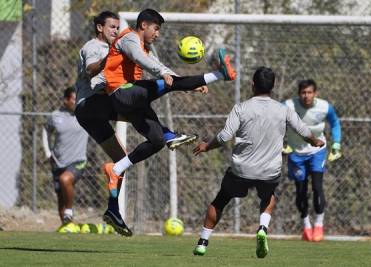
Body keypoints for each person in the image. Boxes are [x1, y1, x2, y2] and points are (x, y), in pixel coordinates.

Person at [74, 11, 198, 236]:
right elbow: (91, 69)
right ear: (100, 28)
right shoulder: (94, 46)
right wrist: (110, 57)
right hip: (90, 104)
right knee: (128, 101)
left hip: (95, 114)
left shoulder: (124, 47)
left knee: (120, 162)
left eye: (117, 27)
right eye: (111, 27)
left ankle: (112, 210)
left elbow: (149, 64)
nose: (115, 31)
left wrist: (185, 81)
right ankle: (167, 134)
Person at [101, 9, 236, 207]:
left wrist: (190, 85)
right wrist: (170, 76)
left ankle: (116, 169)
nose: (157, 34)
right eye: (156, 29)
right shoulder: (130, 37)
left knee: (157, 141)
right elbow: (141, 59)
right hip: (122, 93)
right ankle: (220, 75)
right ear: (144, 25)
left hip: (132, 101)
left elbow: (162, 69)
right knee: (164, 83)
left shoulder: (144, 48)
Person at [191, 67, 324, 258]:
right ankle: (262, 227)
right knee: (268, 197)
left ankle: (203, 242)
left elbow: (224, 136)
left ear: (252, 85)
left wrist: (206, 146)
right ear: (273, 86)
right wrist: (314, 141)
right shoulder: (283, 109)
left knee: (220, 201)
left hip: (241, 169)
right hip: (268, 171)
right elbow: (303, 130)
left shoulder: (241, 108)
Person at [283, 79, 342, 242]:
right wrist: (281, 141)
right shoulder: (288, 106)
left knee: (317, 187)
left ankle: (319, 225)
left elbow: (335, 123)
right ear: (298, 94)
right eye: (303, 92)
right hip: (296, 153)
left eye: (309, 92)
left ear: (315, 93)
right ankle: (306, 226)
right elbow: (274, 119)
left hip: (317, 151)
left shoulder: (324, 107)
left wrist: (336, 143)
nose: (306, 96)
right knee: (300, 190)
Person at [42, 87, 89, 232]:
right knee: (60, 198)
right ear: (66, 100)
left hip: (78, 161)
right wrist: (48, 153)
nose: (77, 102)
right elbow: (45, 130)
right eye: (74, 99)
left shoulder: (86, 114)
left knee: (65, 180)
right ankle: (68, 226)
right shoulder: (55, 116)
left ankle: (69, 211)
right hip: (57, 161)